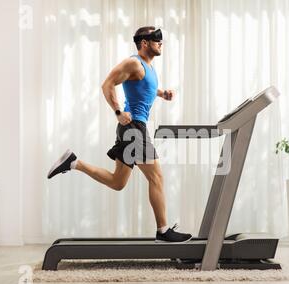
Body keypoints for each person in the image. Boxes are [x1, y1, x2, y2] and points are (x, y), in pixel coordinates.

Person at [47, 26, 192, 243]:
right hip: (133, 127)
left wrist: (163, 93)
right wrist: (117, 112)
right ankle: (163, 231)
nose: (161, 43)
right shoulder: (133, 63)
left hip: (132, 128)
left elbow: (146, 88)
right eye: (157, 39)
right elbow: (107, 84)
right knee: (157, 177)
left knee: (117, 182)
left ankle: (74, 163)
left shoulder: (148, 68)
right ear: (144, 42)